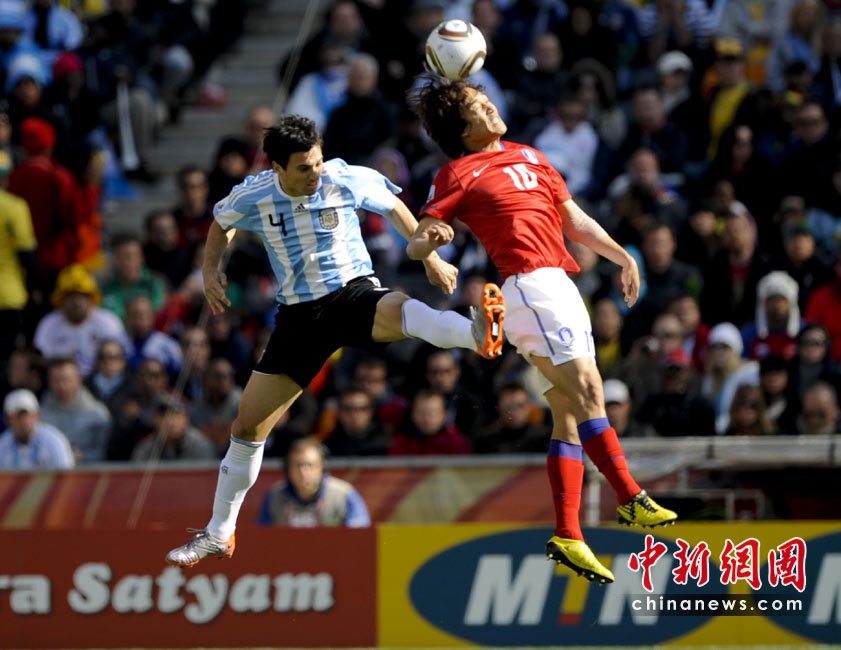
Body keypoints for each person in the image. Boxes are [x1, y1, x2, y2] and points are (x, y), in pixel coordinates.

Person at [166, 114, 504, 567]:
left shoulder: (344, 178)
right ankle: (219, 533)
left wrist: (431, 259)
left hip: (351, 293)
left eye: (318, 161)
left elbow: (394, 207)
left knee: (399, 309)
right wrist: (211, 270)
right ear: (277, 167)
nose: (315, 172)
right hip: (299, 319)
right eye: (304, 167)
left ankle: (475, 333)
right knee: (246, 430)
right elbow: (221, 222)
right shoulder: (255, 194)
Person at [408, 78, 676, 585]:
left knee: (570, 413)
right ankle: (628, 495)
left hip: (560, 284)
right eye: (478, 105)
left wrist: (621, 256)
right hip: (529, 286)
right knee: (590, 390)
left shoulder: (531, 155)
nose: (491, 106)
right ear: (462, 129)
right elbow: (416, 242)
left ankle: (569, 535)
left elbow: (573, 220)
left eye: (488, 98)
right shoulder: (457, 173)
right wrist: (430, 242)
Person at [32, 264, 128, 377]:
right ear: (61, 299)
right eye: (70, 296)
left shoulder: (108, 322)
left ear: (91, 298)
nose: (76, 302)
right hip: (61, 382)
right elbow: (40, 359)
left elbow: (123, 357)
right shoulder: (49, 323)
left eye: (82, 296)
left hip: (100, 382)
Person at [257, 437, 371, 528]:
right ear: (287, 468)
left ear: (322, 467)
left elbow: (359, 535)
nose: (303, 472)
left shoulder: (343, 495)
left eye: (310, 465)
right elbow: (262, 537)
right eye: (297, 465)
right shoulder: (274, 496)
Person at [39, 356, 111, 463]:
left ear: (78, 379)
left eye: (66, 380)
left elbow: (106, 453)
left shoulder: (98, 414)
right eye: (56, 380)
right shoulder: (39, 415)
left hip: (86, 471)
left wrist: (84, 456)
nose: (62, 386)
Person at [0, 388, 73, 469]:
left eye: (27, 415)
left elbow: (65, 475)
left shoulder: (54, 442)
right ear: (8, 420)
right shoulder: (3, 445)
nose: (23, 421)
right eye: (17, 417)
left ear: (37, 416)